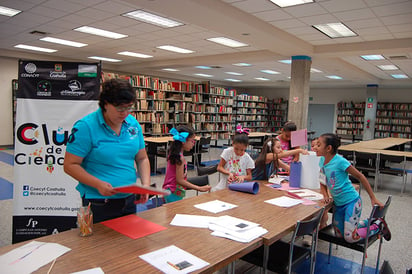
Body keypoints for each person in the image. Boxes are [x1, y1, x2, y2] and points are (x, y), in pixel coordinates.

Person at [64, 79, 151, 223]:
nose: (125, 113)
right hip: (99, 201)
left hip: (128, 199)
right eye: (120, 108)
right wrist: (98, 184)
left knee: (127, 241)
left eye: (129, 107)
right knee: (100, 244)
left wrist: (146, 185)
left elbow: (142, 158)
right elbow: (70, 165)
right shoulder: (86, 127)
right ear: (105, 104)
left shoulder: (133, 123)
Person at [316, 133, 391, 243]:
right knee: (338, 234)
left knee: (350, 237)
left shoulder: (340, 162)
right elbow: (322, 180)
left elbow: (361, 176)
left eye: (318, 145)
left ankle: (378, 226)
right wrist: (325, 194)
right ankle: (368, 222)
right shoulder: (322, 161)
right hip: (339, 204)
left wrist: (373, 198)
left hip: (352, 201)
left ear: (328, 148)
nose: (315, 147)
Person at [162, 126, 211, 203]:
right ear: (183, 141)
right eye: (192, 141)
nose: (193, 144)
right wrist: (199, 188)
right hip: (173, 192)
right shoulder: (179, 158)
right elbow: (180, 180)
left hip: (171, 190)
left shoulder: (174, 153)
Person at [214, 124, 255, 191]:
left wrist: (243, 177)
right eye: (236, 149)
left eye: (242, 150)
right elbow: (219, 167)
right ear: (232, 143)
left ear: (246, 147)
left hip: (240, 187)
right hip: (225, 185)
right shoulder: (227, 152)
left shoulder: (247, 158)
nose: (238, 152)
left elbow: (249, 176)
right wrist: (229, 173)